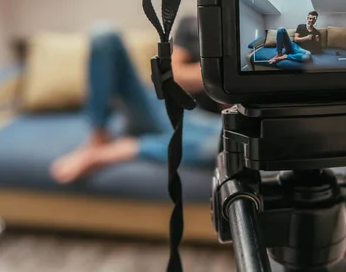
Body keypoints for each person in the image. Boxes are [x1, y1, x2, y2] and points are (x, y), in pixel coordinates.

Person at [50, 18, 222, 184]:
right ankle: (99, 136)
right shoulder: (194, 24)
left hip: (204, 125)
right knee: (104, 35)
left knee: (223, 139)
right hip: (161, 106)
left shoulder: (245, 33)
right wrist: (223, 74)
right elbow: (172, 75)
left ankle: (124, 148)